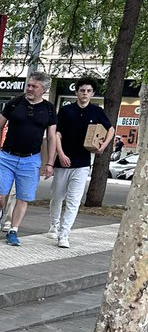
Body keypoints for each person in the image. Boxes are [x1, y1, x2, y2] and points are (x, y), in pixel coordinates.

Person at [0, 70, 57, 246]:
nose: (30, 88)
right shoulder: (15, 103)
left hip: (31, 159)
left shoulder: (48, 109)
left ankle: (13, 231)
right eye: (29, 85)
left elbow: (51, 137)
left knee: (23, 197)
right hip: (7, 156)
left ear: (43, 90)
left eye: (35, 86)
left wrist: (49, 163)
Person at [48, 76, 114, 248]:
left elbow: (111, 129)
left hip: (83, 162)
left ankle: (64, 234)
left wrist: (102, 147)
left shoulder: (97, 112)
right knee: (57, 197)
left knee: (74, 200)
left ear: (92, 93)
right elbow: (57, 134)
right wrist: (60, 154)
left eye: (88, 91)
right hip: (63, 161)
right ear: (76, 92)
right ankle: (54, 225)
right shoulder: (66, 110)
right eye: (82, 90)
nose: (85, 93)